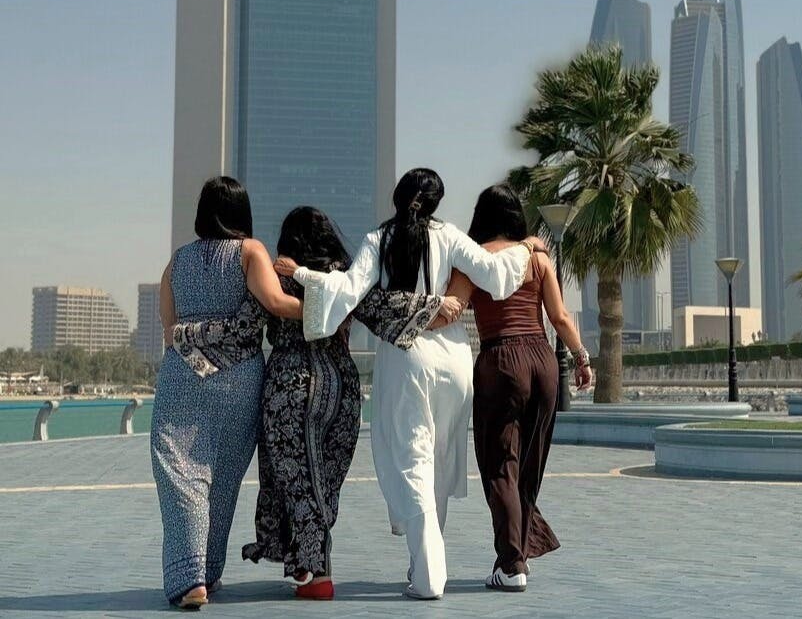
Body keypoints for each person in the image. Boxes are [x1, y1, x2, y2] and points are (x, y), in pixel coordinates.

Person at [275, 168, 540, 600]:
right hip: (455, 359)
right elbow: (495, 274)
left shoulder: (377, 240)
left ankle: (429, 573)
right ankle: (423, 564)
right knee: (436, 458)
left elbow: (347, 290)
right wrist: (526, 245)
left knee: (412, 459)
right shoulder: (450, 235)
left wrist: (302, 274)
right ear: (436, 201)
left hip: (407, 357)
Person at [175, 207, 456, 601]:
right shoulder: (344, 276)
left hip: (289, 385)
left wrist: (189, 333)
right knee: (322, 483)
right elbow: (381, 307)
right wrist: (430, 306)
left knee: (298, 481)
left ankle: (314, 570)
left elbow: (244, 328)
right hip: (341, 386)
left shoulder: (276, 277)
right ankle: (313, 565)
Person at [151, 177, 303, 610]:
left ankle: (191, 578)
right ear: (241, 212)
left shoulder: (176, 262)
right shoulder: (250, 251)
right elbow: (274, 303)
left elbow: (168, 326)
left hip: (184, 377)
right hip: (239, 378)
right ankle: (207, 571)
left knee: (181, 473)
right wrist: (327, 308)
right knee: (222, 480)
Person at [444, 185, 592, 592]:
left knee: (499, 465)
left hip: (499, 361)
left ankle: (512, 564)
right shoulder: (537, 256)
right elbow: (560, 317)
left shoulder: (472, 260)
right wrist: (581, 358)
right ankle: (515, 555)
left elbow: (452, 307)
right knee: (528, 464)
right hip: (542, 360)